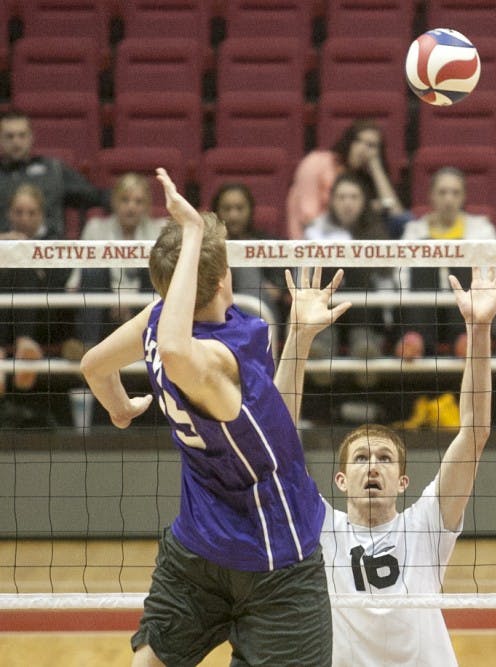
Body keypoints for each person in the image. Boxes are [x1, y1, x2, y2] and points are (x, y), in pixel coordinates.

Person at [79, 168, 347, 666]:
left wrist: (119, 410)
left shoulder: (158, 321)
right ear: (224, 274)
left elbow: (94, 365)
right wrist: (197, 233)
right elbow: (181, 354)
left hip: (198, 547)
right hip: (273, 556)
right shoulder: (212, 356)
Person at [318, 266, 496, 667]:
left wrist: (479, 331)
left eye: (385, 458)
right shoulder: (321, 527)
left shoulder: (425, 524)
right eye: (361, 458)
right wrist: (301, 336)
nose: (373, 466)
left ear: (402, 480)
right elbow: (278, 453)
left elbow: (475, 431)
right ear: (340, 479)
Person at [398, 167, 496, 358]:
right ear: (431, 196)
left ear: (464, 197)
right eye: (442, 192)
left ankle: (466, 338)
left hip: (466, 311)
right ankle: (414, 339)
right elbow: (401, 276)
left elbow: (490, 275)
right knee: (425, 246)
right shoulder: (413, 231)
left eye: (455, 193)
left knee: (464, 249)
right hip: (423, 310)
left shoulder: (483, 230)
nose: (449, 199)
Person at [65, 173, 167, 355]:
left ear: (147, 205)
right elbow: (77, 278)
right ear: (114, 202)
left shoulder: (160, 230)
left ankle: (156, 345)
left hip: (142, 308)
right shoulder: (95, 227)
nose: (131, 207)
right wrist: (113, 300)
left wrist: (127, 301)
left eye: (138, 201)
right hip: (102, 308)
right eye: (125, 200)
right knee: (93, 273)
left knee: (155, 273)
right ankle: (87, 346)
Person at [304, 172, 396, 362]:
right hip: (327, 313)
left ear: (364, 201)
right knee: (326, 266)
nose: (348, 203)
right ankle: (323, 341)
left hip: (369, 313)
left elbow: (388, 276)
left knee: (357, 264)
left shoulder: (378, 232)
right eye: (342, 197)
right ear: (332, 201)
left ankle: (364, 341)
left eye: (354, 197)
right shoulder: (315, 230)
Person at [0, 184, 72, 424]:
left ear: (41, 214)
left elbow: (60, 285)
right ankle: (11, 349)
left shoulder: (56, 241)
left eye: (31, 213)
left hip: (44, 320)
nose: (24, 219)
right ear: (10, 214)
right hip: (5, 318)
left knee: (23, 268)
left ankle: (24, 343)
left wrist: (27, 257)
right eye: (19, 212)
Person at [286, 119, 406, 240]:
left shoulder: (370, 178)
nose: (363, 148)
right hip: (319, 238)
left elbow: (398, 217)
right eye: (358, 141)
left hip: (361, 239)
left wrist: (376, 168)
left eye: (371, 145)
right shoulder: (317, 162)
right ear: (348, 140)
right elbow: (307, 217)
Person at [0, 109, 108, 238]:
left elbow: (95, 196)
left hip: (50, 251)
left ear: (31, 137)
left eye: (22, 135)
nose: (16, 142)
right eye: (9, 136)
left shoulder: (54, 170)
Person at [210, 182, 283, 321]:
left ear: (250, 210)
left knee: (245, 267)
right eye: (227, 208)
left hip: (261, 316)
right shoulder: (206, 247)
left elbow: (277, 292)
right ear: (216, 211)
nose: (233, 215)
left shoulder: (269, 244)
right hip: (217, 317)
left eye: (239, 208)